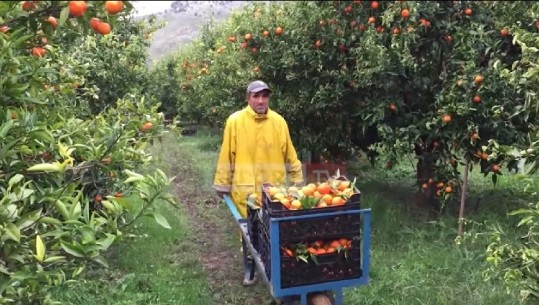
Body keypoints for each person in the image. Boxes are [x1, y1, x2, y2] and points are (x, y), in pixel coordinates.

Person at [213, 80, 304, 285]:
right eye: (256, 96)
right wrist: (222, 183)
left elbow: (289, 152)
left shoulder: (278, 121)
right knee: (249, 232)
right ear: (248, 98)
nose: (261, 100)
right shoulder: (235, 121)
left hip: (275, 189)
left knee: (274, 230)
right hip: (245, 189)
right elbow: (227, 154)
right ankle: (250, 268)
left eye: (264, 96)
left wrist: (297, 179)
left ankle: (277, 269)